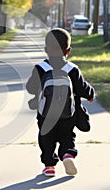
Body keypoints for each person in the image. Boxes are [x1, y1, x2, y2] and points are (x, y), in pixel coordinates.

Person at [26, 28, 95, 177]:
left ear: (46, 49)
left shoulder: (40, 69)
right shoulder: (72, 69)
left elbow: (31, 88)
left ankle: (49, 165)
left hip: (45, 115)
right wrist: (90, 95)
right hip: (69, 114)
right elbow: (83, 89)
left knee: (46, 137)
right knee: (67, 136)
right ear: (68, 50)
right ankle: (68, 155)